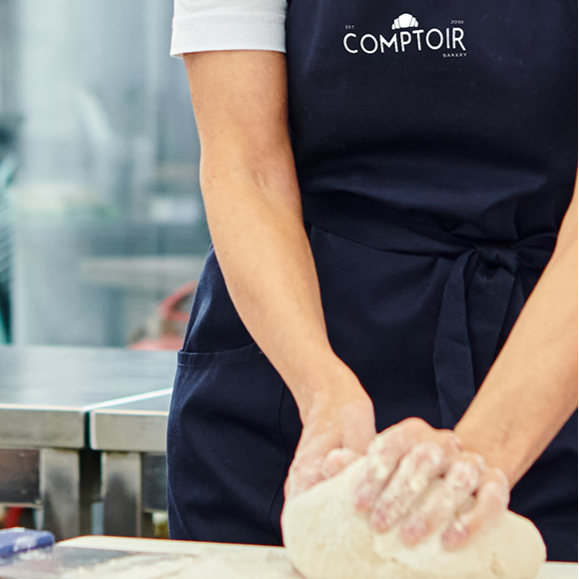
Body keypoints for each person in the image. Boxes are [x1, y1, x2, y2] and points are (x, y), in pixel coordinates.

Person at [167, 0, 579, 562]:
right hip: (289, 370)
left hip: (548, 369)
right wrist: (319, 390)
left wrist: (480, 453)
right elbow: (247, 166)